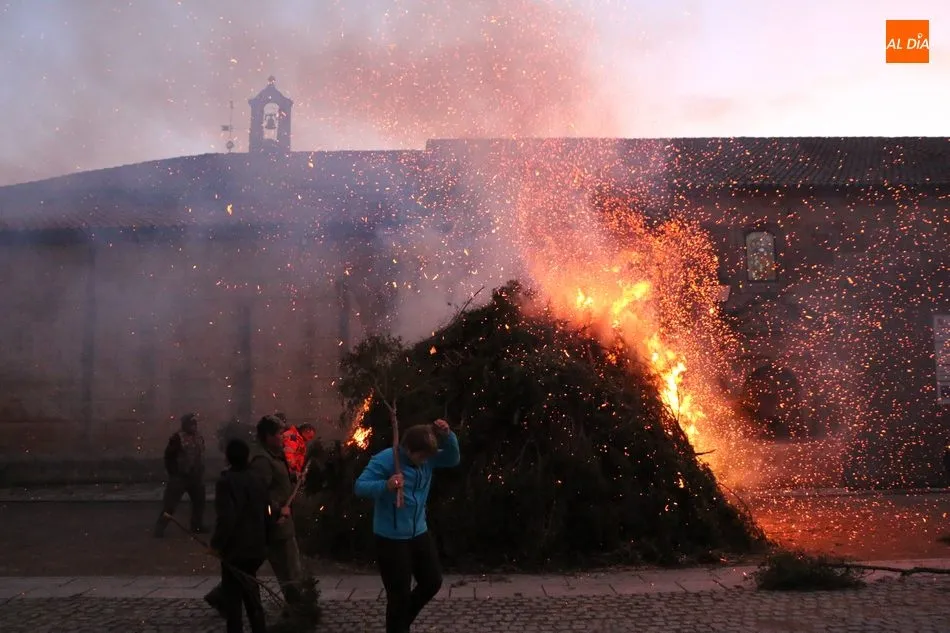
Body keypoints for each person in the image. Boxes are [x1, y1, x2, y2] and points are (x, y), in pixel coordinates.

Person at [354, 419, 460, 633]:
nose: (425, 462)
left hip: (419, 532)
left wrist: (448, 436)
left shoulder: (427, 458)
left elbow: (452, 459)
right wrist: (386, 485)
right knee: (398, 595)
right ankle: (398, 625)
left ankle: (398, 623)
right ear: (409, 449)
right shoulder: (386, 459)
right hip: (391, 538)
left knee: (432, 581)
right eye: (422, 457)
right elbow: (360, 486)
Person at [206, 415, 305, 616]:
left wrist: (292, 477)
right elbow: (259, 495)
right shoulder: (262, 460)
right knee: (289, 569)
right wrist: (277, 510)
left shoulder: (274, 455)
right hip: (275, 524)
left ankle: (221, 595)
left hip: (274, 523)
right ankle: (299, 609)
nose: (283, 437)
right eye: (279, 434)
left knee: (253, 565)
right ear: (268, 436)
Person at [210, 439, 272, 633]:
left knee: (234, 602)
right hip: (256, 548)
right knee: (253, 597)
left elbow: (227, 518)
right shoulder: (258, 479)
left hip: (235, 549)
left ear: (228, 457)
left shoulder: (226, 482)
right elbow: (268, 510)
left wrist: (217, 544)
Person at [155, 412, 207, 537]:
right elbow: (169, 456)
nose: (193, 426)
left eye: (194, 424)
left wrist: (200, 469)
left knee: (199, 501)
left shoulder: (198, 437)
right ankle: (160, 528)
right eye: (191, 424)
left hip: (194, 475)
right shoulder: (177, 438)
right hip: (180, 476)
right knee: (170, 504)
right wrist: (173, 472)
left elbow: (200, 454)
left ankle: (197, 525)